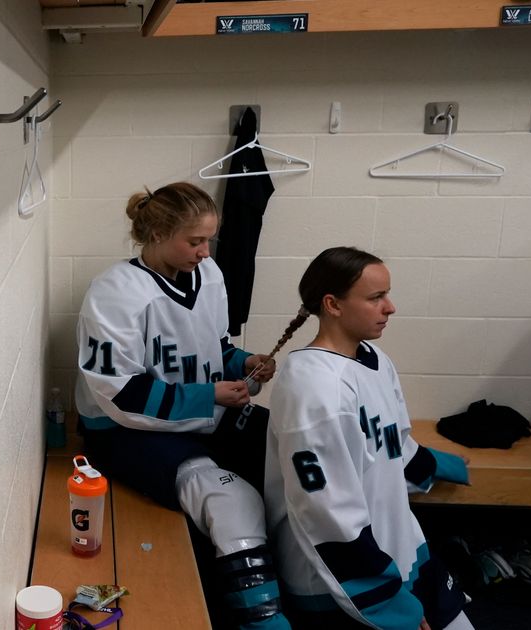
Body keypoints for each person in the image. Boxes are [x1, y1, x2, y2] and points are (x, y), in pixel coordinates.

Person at [75, 181, 290, 630]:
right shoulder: (115, 293)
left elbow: (212, 347)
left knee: (290, 445)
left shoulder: (208, 276)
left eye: (208, 239)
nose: (205, 252)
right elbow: (120, 394)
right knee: (232, 498)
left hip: (197, 413)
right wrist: (209, 395)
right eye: (194, 241)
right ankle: (261, 619)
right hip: (123, 432)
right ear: (156, 235)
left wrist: (242, 361)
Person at [263, 246, 473, 630]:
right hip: (343, 582)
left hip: (400, 545)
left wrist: (444, 465)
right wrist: (390, 605)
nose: (390, 307)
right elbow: (327, 514)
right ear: (334, 305)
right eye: (376, 297)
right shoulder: (313, 388)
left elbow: (394, 444)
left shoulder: (374, 358)